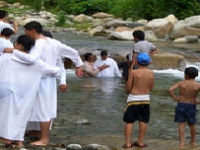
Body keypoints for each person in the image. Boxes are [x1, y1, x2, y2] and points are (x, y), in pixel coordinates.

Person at [4, 21, 83, 146]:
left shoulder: (38, 44)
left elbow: (32, 59)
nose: (26, 35)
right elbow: (73, 52)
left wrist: (13, 51)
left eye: (26, 32)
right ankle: (37, 134)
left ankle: (44, 139)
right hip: (50, 79)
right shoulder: (53, 42)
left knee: (40, 109)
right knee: (45, 109)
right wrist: (79, 65)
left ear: (32, 31)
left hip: (40, 79)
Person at [0, 35, 61, 147]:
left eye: (16, 43)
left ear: (20, 45)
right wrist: (57, 65)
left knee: (5, 114)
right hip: (26, 95)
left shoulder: (7, 57)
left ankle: (6, 138)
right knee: (21, 116)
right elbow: (54, 71)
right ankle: (18, 140)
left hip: (7, 92)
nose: (14, 45)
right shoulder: (36, 62)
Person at [26, 30, 67, 137]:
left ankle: (42, 132)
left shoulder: (55, 52)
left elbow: (61, 68)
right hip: (34, 81)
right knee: (33, 106)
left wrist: (62, 82)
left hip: (47, 82)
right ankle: (33, 129)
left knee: (46, 107)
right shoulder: (35, 50)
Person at [123, 53, 154, 148]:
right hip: (145, 99)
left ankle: (128, 143)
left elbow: (128, 87)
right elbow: (151, 87)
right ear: (148, 62)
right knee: (143, 120)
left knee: (129, 121)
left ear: (136, 61)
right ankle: (140, 141)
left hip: (133, 98)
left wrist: (130, 93)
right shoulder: (151, 73)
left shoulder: (133, 72)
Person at [168, 67, 200, 146]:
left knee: (181, 123)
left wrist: (175, 98)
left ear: (186, 75)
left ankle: (182, 142)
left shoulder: (181, 83)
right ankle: (192, 142)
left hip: (181, 104)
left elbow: (170, 89)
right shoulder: (198, 85)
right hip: (192, 105)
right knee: (192, 124)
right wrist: (199, 102)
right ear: (196, 75)